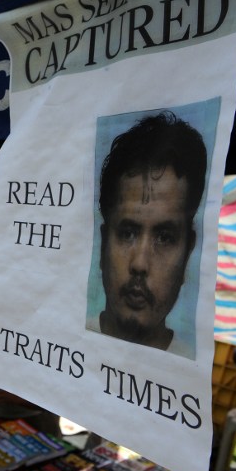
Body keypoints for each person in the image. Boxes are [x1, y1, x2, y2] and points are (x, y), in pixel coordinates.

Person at [92, 111, 207, 353]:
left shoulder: (187, 371)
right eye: (127, 233)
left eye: (165, 238)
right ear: (103, 245)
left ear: (187, 253)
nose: (140, 264)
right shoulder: (64, 339)